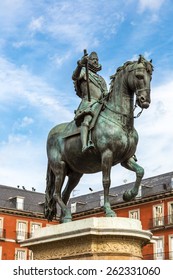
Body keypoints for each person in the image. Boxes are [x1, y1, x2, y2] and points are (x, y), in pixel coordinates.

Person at [72, 51, 108, 153]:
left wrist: (107, 95)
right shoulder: (83, 71)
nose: (96, 61)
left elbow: (105, 92)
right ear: (89, 61)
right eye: (93, 59)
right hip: (89, 103)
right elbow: (74, 76)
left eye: (97, 60)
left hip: (101, 104)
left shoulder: (101, 79)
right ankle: (84, 145)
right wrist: (80, 64)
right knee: (87, 119)